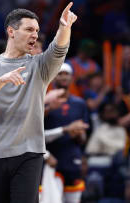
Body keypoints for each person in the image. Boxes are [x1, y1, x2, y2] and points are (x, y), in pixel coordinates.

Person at [0, 3, 77, 203]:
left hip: (29, 152)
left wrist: (64, 27)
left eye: (36, 30)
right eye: (28, 29)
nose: (34, 35)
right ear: (11, 31)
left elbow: (59, 49)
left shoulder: (40, 65)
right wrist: (1, 81)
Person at [44, 63, 89, 203]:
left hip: (72, 158)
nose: (63, 77)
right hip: (51, 159)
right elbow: (36, 132)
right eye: (60, 73)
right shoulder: (44, 101)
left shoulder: (80, 103)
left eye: (66, 74)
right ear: (53, 77)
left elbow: (84, 135)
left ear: (72, 78)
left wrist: (80, 135)